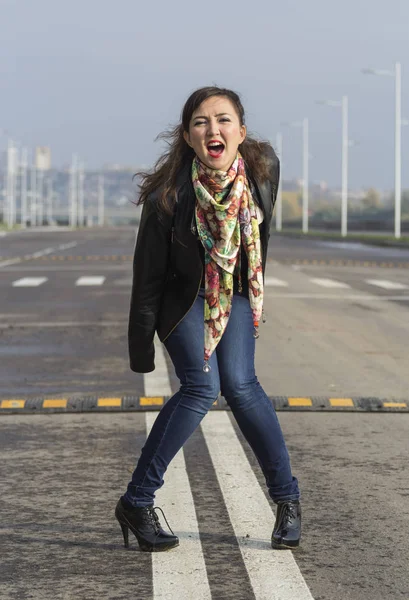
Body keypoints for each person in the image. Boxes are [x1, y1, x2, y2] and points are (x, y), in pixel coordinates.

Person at [115, 86, 301, 553]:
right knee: (201, 388)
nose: (212, 129)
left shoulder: (263, 171)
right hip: (183, 303)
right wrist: (140, 349)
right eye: (201, 122)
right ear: (187, 135)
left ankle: (288, 500)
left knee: (241, 385)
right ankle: (137, 501)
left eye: (223, 120)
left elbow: (263, 233)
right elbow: (147, 279)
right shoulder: (168, 195)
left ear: (240, 130)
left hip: (233, 293)